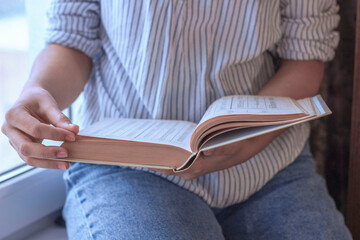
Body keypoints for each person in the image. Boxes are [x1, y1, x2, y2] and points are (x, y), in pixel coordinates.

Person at [1, 0, 352, 239]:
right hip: (127, 165)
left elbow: (305, 57)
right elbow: (72, 38)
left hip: (269, 165)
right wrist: (38, 92)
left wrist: (245, 139)